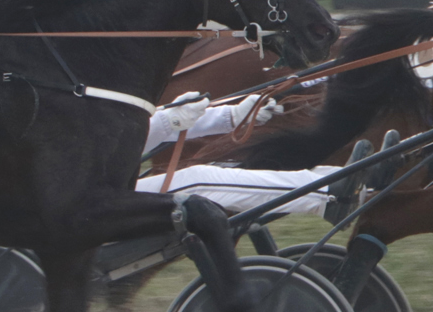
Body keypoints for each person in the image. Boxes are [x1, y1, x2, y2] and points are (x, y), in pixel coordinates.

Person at [131, 94, 394, 222]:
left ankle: (359, 182)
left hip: (107, 191)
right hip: (103, 200)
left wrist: (234, 116)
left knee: (225, 170)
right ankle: (329, 196)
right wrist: (168, 121)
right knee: (196, 180)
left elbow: (121, 138)